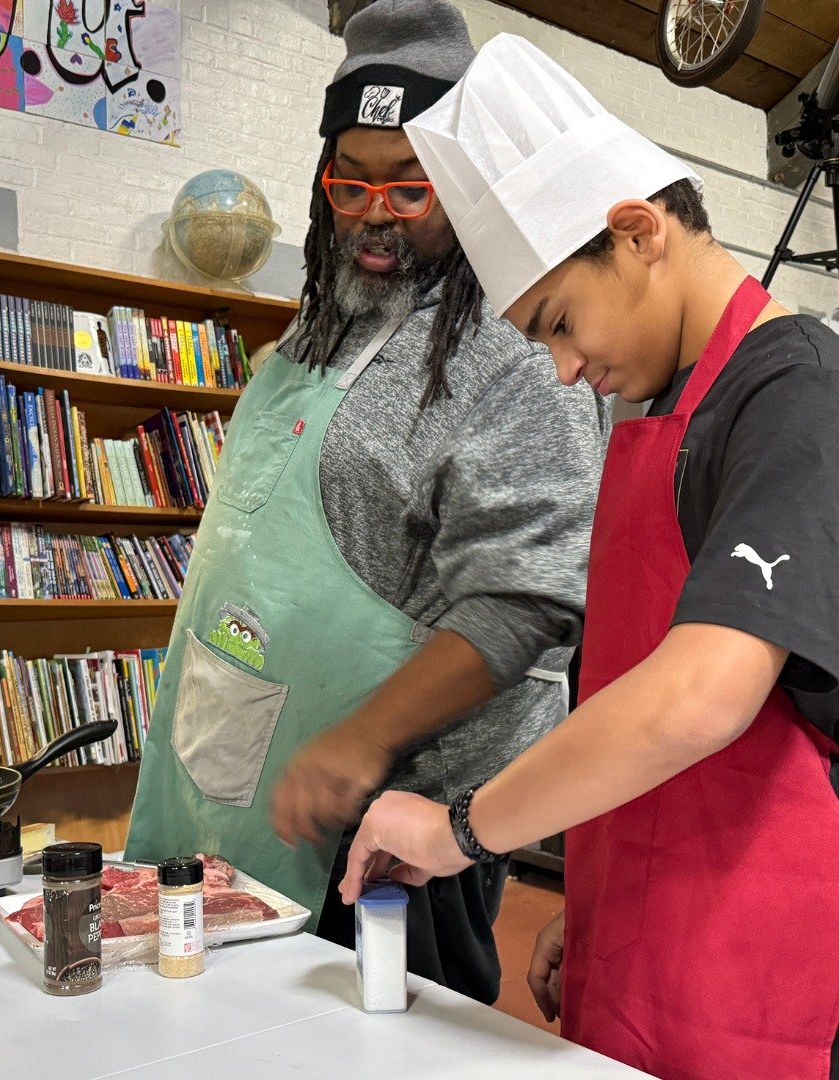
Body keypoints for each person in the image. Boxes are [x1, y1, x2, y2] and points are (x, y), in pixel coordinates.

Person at [341, 33, 839, 1080]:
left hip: (755, 959)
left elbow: (701, 696)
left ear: (637, 231)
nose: (564, 370)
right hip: (647, 928)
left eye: (560, 323)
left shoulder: (792, 395)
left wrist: (461, 830)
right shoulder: (664, 406)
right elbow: (623, 696)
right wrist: (596, 894)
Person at [123, 3, 608, 1003]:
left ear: (468, 189)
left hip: (389, 833)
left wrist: (362, 740)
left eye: (411, 187)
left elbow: (526, 602)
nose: (375, 213)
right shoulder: (306, 339)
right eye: (352, 182)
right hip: (217, 772)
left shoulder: (516, 360)